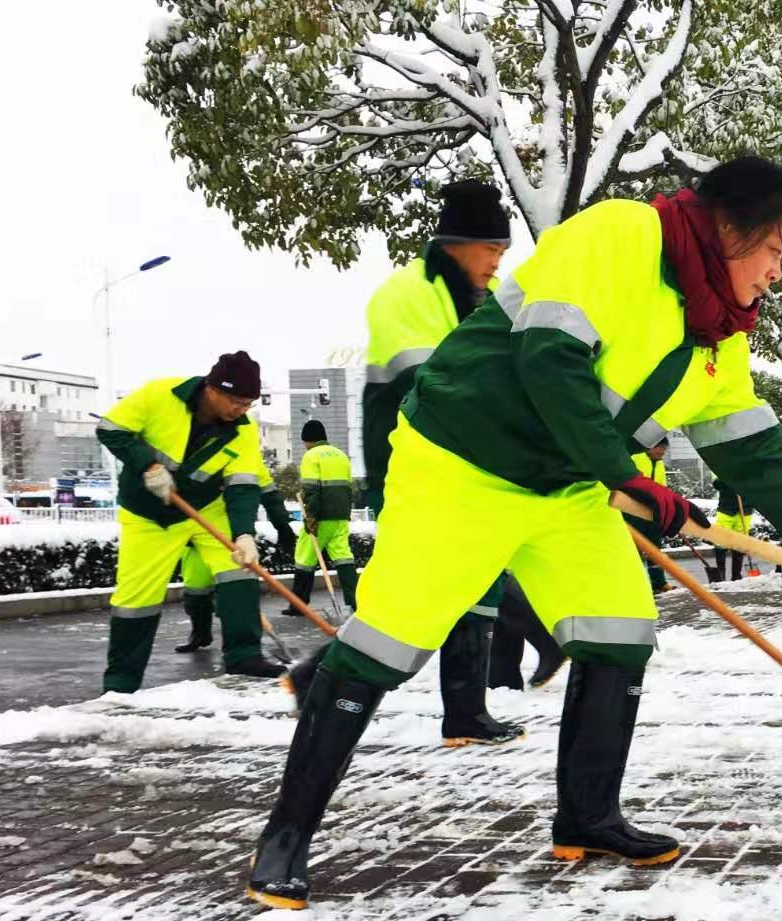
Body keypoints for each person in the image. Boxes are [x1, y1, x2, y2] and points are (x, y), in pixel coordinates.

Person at [246, 156, 782, 909]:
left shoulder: (718, 337)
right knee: (387, 644)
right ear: (729, 226)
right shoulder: (623, 234)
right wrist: (624, 475)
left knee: (619, 631)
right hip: (463, 465)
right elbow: (550, 360)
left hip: (569, 488)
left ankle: (587, 817)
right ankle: (285, 836)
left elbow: (754, 452)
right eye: (775, 250)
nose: (778, 272)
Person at [326, 177, 524, 750]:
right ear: (455, 243)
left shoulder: (492, 299)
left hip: (476, 465)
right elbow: (433, 382)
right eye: (490, 249)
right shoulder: (405, 294)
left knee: (477, 584)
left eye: (503, 251)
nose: (497, 262)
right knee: (412, 593)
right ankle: (320, 681)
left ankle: (466, 712)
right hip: (412, 465)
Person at [96, 351, 286, 691]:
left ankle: (244, 655)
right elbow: (110, 428)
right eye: (236, 402)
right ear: (212, 389)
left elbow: (243, 485)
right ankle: (122, 681)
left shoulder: (243, 429)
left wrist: (244, 534)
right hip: (149, 513)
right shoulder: (159, 395)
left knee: (239, 569)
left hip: (207, 506)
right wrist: (148, 466)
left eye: (248, 404)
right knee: (136, 597)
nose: (241, 411)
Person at [176, 460, 297, 653]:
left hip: (231, 539)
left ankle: (242, 650)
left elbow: (269, 495)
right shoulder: (186, 455)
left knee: (234, 592)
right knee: (195, 591)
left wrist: (282, 525)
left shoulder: (245, 458)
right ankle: (200, 633)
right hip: (194, 538)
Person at [280, 420, 359, 612]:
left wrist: (311, 517)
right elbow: (348, 489)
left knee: (304, 557)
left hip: (320, 516)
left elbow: (311, 490)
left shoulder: (311, 456)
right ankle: (355, 602)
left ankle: (299, 605)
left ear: (307, 439)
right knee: (343, 556)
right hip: (341, 516)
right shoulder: (341, 455)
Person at [624, 438, 673, 593]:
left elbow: (663, 488)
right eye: (660, 448)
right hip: (633, 512)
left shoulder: (660, 464)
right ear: (650, 446)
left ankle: (659, 583)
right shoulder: (635, 458)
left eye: (664, 449)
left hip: (653, 513)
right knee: (634, 549)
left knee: (655, 549)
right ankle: (635, 584)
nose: (662, 452)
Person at [712, 477, 755, 580]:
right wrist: (730, 480)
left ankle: (736, 575)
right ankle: (721, 575)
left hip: (745, 511)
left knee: (739, 544)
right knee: (720, 543)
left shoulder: (753, 472)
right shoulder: (725, 470)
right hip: (726, 510)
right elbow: (716, 484)